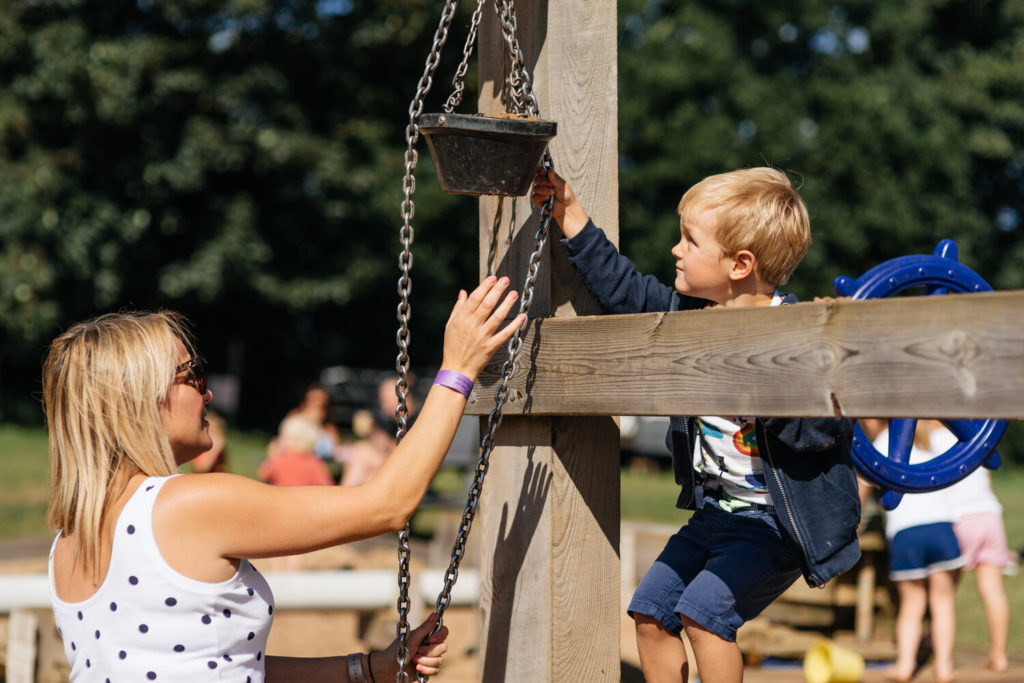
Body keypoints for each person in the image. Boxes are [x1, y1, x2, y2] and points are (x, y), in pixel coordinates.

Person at [44, 276, 524, 681]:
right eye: (191, 374)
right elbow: (387, 504)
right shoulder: (184, 505)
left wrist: (369, 669)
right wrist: (457, 369)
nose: (208, 392)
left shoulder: (68, 542)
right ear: (140, 397)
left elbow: (220, 663)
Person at [532, 167, 860, 683]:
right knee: (650, 613)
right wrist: (571, 215)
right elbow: (626, 293)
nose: (675, 250)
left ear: (740, 264)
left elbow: (821, 433)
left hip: (776, 525)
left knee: (704, 616)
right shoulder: (691, 317)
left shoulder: (797, 337)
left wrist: (758, 380)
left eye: (691, 240)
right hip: (715, 516)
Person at [873, 421, 964, 683]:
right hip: (942, 526)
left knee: (912, 605)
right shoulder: (934, 443)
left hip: (907, 532)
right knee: (943, 603)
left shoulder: (885, 442)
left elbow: (864, 482)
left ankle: (904, 666)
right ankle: (944, 668)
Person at [940, 428, 1011, 673]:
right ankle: (999, 654)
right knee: (993, 591)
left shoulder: (932, 437)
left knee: (944, 594)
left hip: (958, 516)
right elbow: (988, 480)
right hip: (990, 513)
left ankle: (942, 657)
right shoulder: (978, 434)